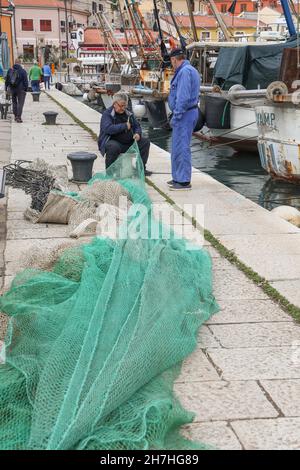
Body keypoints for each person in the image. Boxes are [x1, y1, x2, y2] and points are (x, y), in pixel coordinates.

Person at [168, 48, 200, 190]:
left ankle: (183, 181)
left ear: (175, 59)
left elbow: (183, 97)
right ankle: (177, 177)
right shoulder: (187, 70)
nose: (172, 64)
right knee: (177, 147)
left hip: (184, 114)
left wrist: (177, 115)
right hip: (186, 114)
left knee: (181, 147)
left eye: (171, 62)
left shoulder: (185, 72)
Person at [98, 92, 151, 175]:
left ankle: (140, 169)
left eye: (125, 106)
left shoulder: (128, 113)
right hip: (113, 141)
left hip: (128, 141)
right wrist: (124, 126)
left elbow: (137, 126)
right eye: (121, 106)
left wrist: (137, 134)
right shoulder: (107, 114)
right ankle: (110, 172)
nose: (123, 108)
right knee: (113, 147)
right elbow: (107, 128)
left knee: (145, 142)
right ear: (115, 104)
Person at [5, 59, 28, 123]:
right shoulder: (23, 71)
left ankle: (15, 116)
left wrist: (6, 88)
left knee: (14, 102)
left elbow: (7, 80)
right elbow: (26, 81)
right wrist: (25, 89)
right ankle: (18, 117)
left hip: (12, 89)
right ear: (20, 63)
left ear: (15, 63)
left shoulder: (10, 70)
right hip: (21, 90)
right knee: (20, 103)